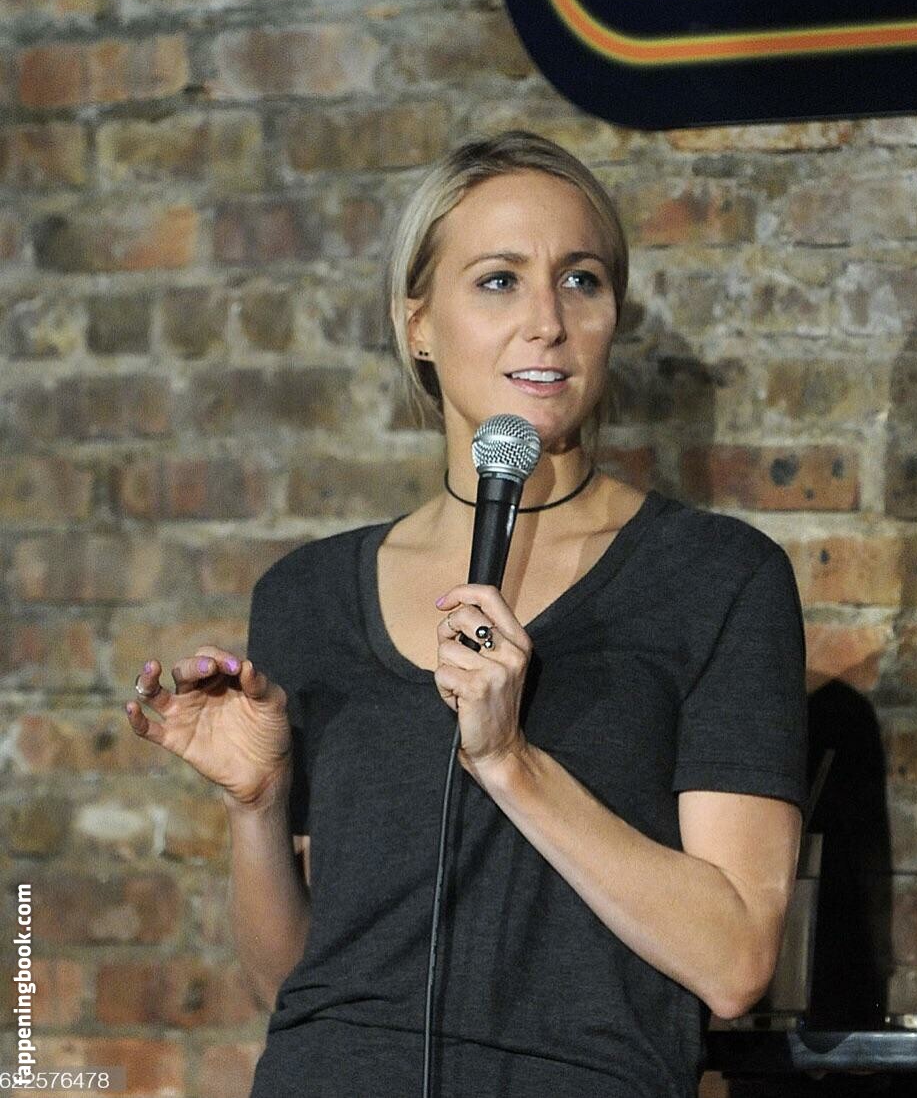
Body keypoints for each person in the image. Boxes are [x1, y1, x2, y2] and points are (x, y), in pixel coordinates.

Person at [124, 130, 808, 1098]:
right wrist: (259, 805)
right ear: (419, 324)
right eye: (498, 280)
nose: (547, 322)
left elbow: (735, 960)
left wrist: (510, 762)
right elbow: (292, 986)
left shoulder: (716, 578)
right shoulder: (306, 596)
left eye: (581, 281)